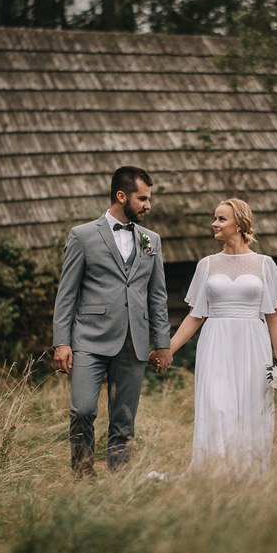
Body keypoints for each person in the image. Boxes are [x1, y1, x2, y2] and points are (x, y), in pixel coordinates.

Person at [52, 166, 173, 476]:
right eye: (142, 198)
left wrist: (162, 344)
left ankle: (120, 481)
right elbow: (67, 293)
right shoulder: (82, 235)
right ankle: (83, 474)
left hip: (133, 342)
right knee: (83, 410)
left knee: (123, 418)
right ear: (122, 196)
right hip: (89, 340)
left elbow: (157, 296)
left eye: (149, 199)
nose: (148, 205)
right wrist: (62, 341)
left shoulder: (151, 240)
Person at [165, 198, 277, 477]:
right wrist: (167, 349)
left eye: (221, 219)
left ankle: (248, 472)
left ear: (240, 224)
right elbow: (195, 315)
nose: (214, 224)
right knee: (217, 404)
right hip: (215, 342)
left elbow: (275, 315)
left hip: (253, 344)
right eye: (215, 218)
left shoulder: (265, 265)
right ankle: (215, 471)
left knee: (251, 406)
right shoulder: (206, 265)